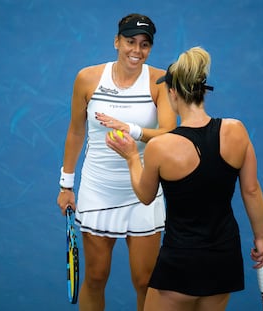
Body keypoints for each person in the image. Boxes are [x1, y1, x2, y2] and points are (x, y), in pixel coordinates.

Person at [106, 46, 263, 311]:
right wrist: (260, 239)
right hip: (224, 261)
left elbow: (145, 196)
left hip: (180, 265)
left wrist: (132, 158)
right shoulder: (236, 130)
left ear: (173, 93)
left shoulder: (161, 146)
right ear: (203, 90)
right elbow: (251, 190)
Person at [56, 13, 177, 311]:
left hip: (144, 192)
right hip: (98, 190)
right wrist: (66, 185)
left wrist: (130, 129)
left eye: (144, 44)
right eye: (130, 42)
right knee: (96, 277)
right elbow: (75, 130)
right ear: (116, 41)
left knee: (145, 280)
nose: (136, 50)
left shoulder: (159, 81)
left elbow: (170, 133)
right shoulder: (88, 78)